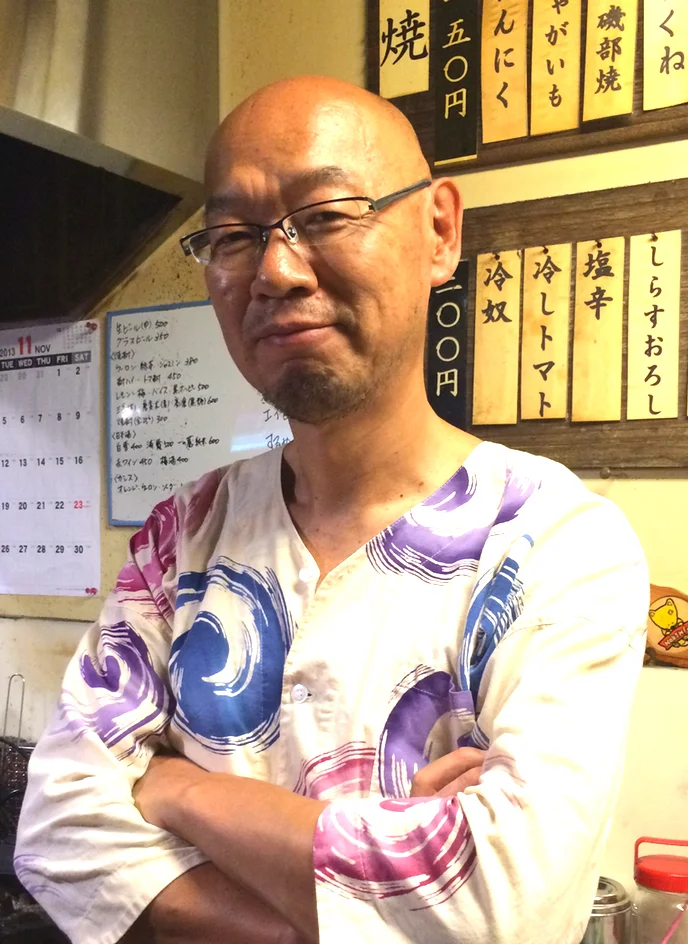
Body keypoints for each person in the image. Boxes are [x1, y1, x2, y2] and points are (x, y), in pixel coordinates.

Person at [15, 76, 648, 944]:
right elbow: (57, 831)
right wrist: (376, 897)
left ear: (439, 231)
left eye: (325, 216)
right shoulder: (183, 537)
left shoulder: (558, 545)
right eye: (233, 237)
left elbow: (503, 905)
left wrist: (177, 789)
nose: (275, 271)